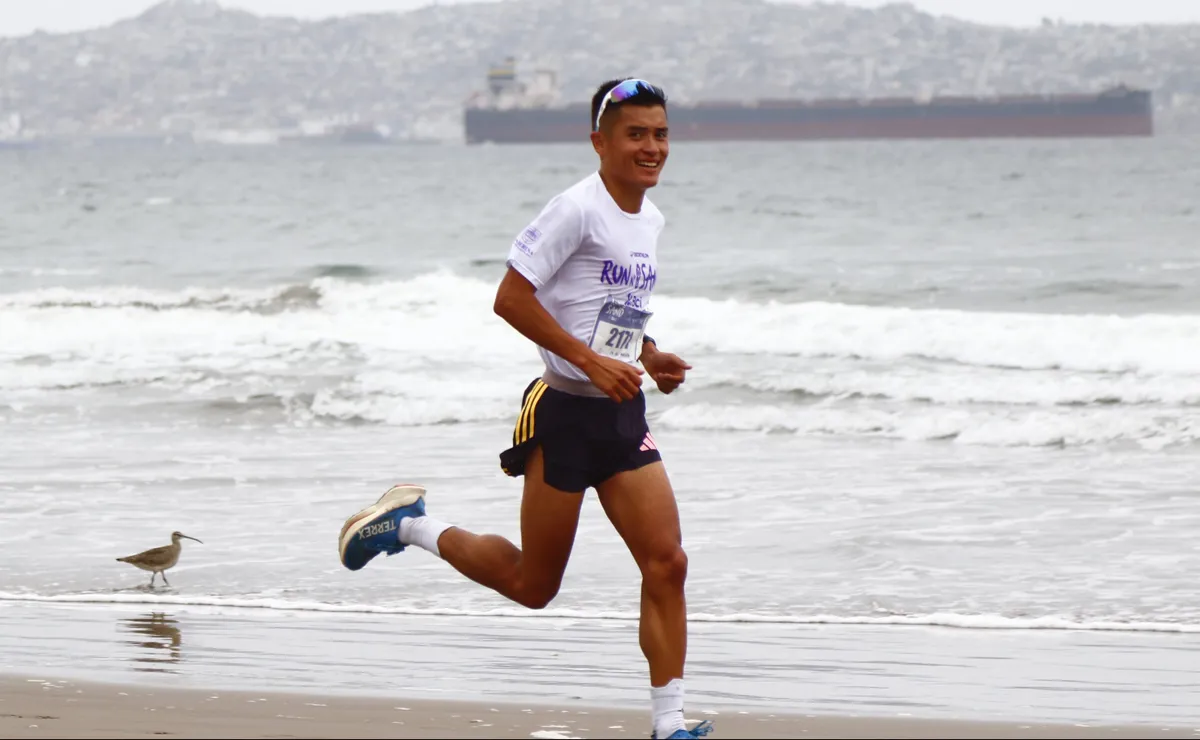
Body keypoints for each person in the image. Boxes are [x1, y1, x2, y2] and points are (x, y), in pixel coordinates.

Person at [336, 77, 712, 740]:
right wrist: (588, 361)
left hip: (621, 413)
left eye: (660, 133)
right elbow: (511, 298)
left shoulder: (649, 219)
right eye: (636, 134)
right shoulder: (575, 209)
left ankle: (669, 722)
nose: (652, 147)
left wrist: (646, 354)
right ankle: (409, 526)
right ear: (600, 141)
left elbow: (603, 307)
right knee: (535, 585)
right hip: (563, 413)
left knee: (668, 562)